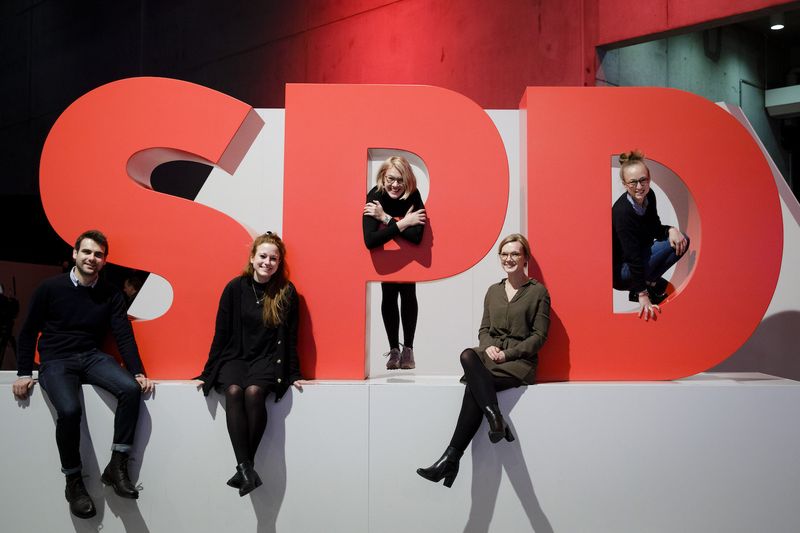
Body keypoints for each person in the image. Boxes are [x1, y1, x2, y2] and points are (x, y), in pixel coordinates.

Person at [12, 230, 154, 519]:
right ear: (74, 254)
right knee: (70, 410)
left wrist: (138, 371)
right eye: (87, 252)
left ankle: (117, 465)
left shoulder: (111, 293)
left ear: (104, 261)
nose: (92, 258)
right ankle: (73, 482)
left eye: (98, 254)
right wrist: (24, 371)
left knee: (129, 389)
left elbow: (123, 335)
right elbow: (27, 332)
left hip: (90, 356)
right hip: (56, 360)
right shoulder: (50, 288)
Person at [416, 234, 550, 488]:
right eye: (504, 254)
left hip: (518, 363)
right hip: (491, 358)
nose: (509, 259)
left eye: (515, 254)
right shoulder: (493, 291)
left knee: (473, 389)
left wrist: (507, 354)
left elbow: (539, 337)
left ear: (525, 258)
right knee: (468, 354)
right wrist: (489, 348)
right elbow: (484, 330)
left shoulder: (538, 292)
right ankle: (494, 416)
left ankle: (450, 458)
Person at [196, 232, 308, 497]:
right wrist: (208, 372)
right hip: (235, 357)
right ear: (252, 258)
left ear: (279, 263)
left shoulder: (286, 292)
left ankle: (244, 469)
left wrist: (294, 374)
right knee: (234, 391)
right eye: (263, 256)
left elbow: (292, 338)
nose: (267, 262)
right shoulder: (235, 288)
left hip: (268, 360)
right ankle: (247, 469)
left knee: (254, 393)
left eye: (274, 258)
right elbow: (220, 334)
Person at [362, 156, 427, 370]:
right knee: (388, 294)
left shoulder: (413, 195)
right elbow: (370, 240)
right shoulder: (375, 196)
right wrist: (404, 223)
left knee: (408, 293)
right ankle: (394, 350)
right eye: (391, 179)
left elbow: (417, 236)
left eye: (401, 180)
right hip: (386, 258)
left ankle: (408, 349)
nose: (396, 185)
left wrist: (387, 220)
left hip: (408, 259)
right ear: (383, 177)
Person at [612, 150, 690, 321]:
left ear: (649, 179)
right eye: (633, 182)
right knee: (670, 245)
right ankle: (643, 286)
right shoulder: (621, 212)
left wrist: (671, 229)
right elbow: (631, 255)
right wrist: (643, 294)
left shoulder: (650, 196)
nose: (639, 187)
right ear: (625, 184)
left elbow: (654, 228)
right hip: (622, 272)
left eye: (643, 180)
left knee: (682, 240)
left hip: (639, 260)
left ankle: (649, 281)